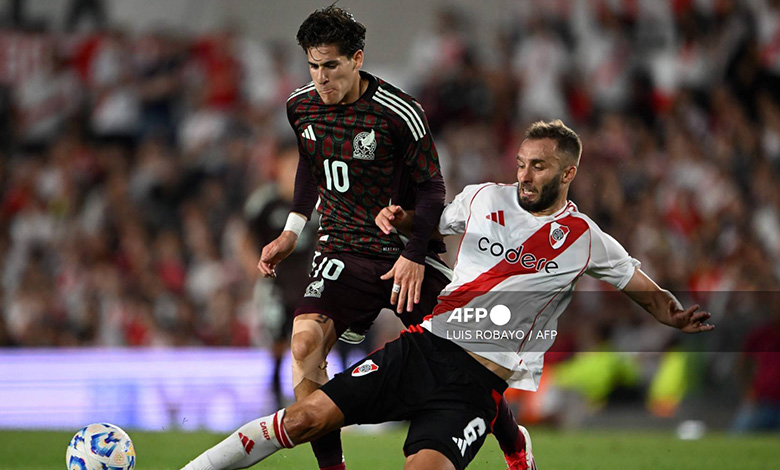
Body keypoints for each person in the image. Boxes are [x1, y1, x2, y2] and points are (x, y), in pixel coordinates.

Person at [180, 119, 714, 470]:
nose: (525, 175)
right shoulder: (484, 196)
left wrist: (675, 315)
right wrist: (403, 217)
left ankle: (511, 437)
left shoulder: (586, 238)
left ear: (569, 172)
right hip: (424, 348)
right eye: (523, 163)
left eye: (540, 166)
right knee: (303, 419)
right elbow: (433, 223)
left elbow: (641, 288)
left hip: (477, 384)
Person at [254, 6, 527, 470]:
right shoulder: (299, 106)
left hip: (401, 252)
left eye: (332, 66)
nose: (321, 78)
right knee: (304, 347)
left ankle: (515, 446)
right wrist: (291, 230)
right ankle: (331, 467)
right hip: (339, 249)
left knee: (467, 356)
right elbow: (309, 161)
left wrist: (416, 255)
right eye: (313, 66)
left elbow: (432, 187)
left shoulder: (399, 113)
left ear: (357, 59)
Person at [243, 144, 317, 409]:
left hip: (310, 284)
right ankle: (274, 397)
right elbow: (245, 238)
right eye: (289, 166)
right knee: (276, 341)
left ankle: (312, 398)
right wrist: (255, 266)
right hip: (275, 285)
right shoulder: (265, 202)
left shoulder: (317, 201)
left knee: (311, 341)